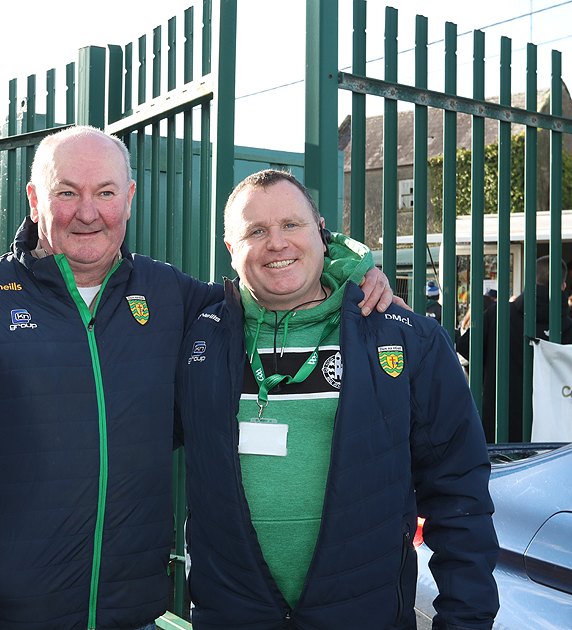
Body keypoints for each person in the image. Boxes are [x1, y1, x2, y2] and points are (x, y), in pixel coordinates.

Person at [0, 126, 399, 630]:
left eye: (106, 193)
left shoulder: (171, 294)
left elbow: (272, 282)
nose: (88, 212)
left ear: (129, 199)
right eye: (67, 193)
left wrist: (353, 271)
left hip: (129, 611)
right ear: (35, 200)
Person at [176, 170, 498, 629]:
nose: (277, 243)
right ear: (231, 248)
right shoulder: (196, 339)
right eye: (256, 231)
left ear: (322, 233)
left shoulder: (407, 339)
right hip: (233, 617)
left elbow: (459, 492)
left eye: (291, 224)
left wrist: (465, 621)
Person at [457, 255, 572, 442]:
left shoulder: (498, 315)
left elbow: (465, 348)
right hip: (553, 432)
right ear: (563, 287)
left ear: (529, 281)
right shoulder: (568, 327)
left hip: (500, 425)